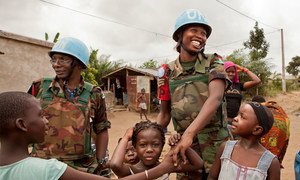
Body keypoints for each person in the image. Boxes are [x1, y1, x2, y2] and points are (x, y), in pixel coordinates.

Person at [0, 91, 194, 180]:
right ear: (22, 125)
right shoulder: (47, 170)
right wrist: (162, 170)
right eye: (42, 115)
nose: (47, 120)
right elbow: (115, 167)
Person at [156, 9, 230, 178]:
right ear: (180, 36)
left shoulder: (214, 61)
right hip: (185, 151)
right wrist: (148, 133)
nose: (200, 36)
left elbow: (216, 97)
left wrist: (189, 133)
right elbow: (164, 113)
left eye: (203, 33)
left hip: (217, 147)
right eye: (194, 31)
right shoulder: (166, 71)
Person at [27, 37, 111, 175]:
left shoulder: (94, 93)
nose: (56, 64)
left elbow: (101, 129)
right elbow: (23, 123)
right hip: (42, 167)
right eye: (53, 59)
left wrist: (101, 162)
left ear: (78, 63)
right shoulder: (40, 87)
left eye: (63, 59)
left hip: (80, 168)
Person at [208, 102, 281, 180]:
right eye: (238, 114)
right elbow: (212, 177)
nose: (235, 118)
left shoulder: (271, 163)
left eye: (242, 117)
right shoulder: (225, 148)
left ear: (256, 130)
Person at [110, 121, 203, 178]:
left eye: (155, 145)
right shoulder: (132, 170)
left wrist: (180, 143)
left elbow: (198, 164)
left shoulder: (167, 166)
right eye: (143, 145)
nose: (149, 150)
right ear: (135, 147)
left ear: (162, 145)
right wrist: (126, 137)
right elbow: (115, 165)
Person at [252, 95, 290, 168]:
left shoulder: (258, 110)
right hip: (282, 135)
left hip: (269, 136)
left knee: (264, 162)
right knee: (274, 161)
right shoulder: (279, 109)